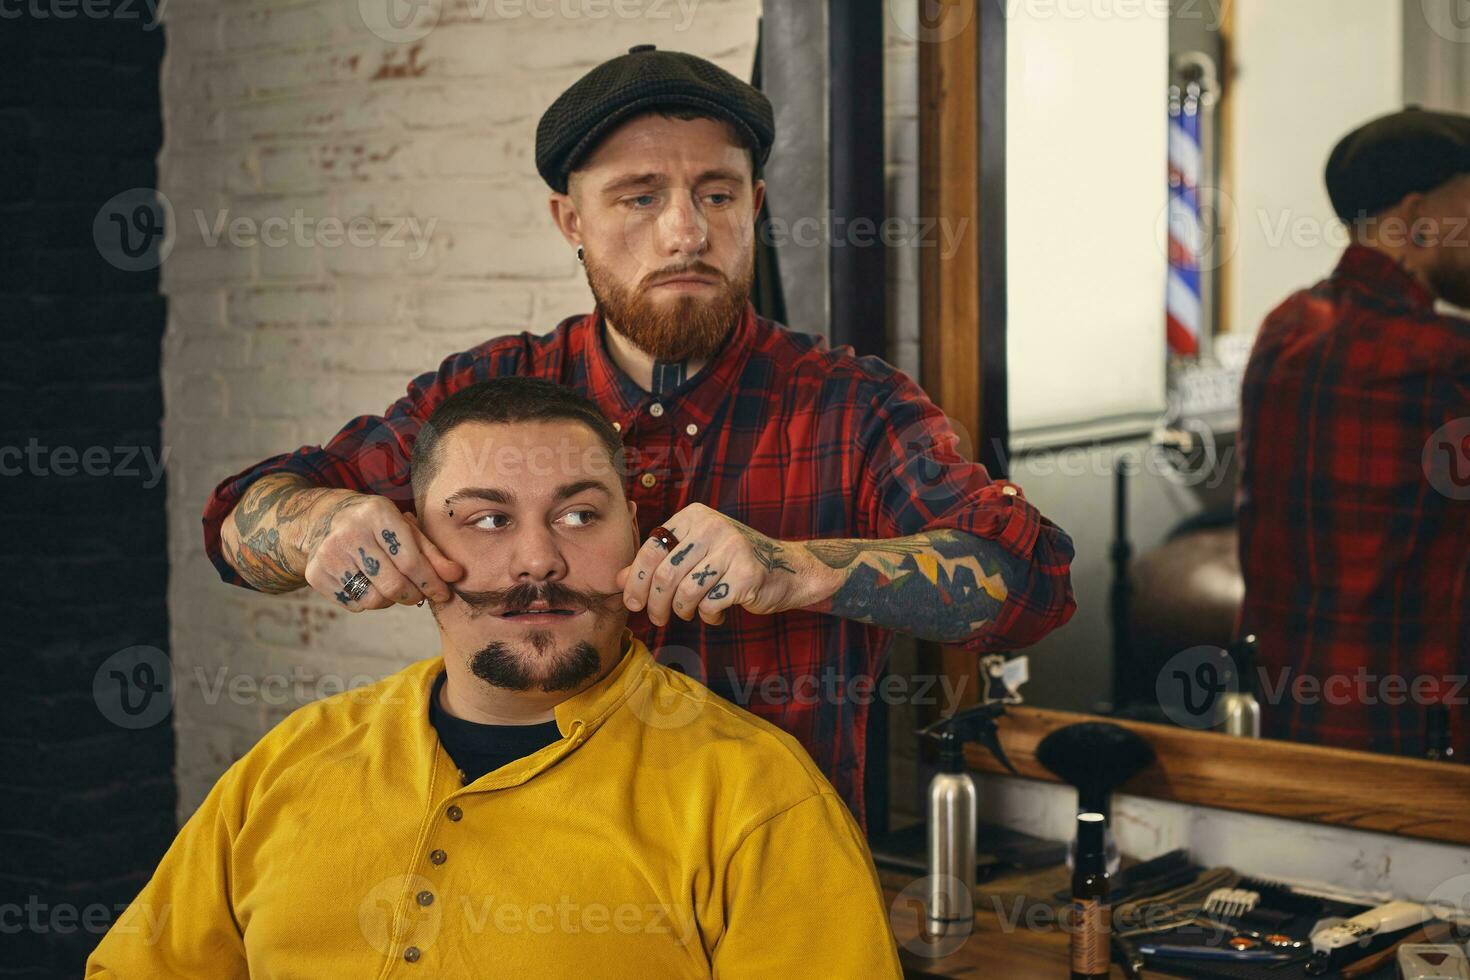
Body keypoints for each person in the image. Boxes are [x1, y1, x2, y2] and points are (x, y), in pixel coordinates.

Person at [202, 45, 1077, 823]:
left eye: (716, 195)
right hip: (529, 881)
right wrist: (317, 524)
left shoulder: (853, 406)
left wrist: (801, 569)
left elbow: (1030, 584)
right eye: (639, 197)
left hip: (776, 890)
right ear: (570, 223)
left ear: (755, 206)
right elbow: (240, 520)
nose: (687, 232)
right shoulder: (485, 396)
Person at [88, 379, 904, 978]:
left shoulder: (760, 800)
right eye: (485, 520)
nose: (538, 560)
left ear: (641, 538)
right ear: (406, 542)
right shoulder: (288, 764)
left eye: (581, 516)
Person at [1237, 107, 1470, 757]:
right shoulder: (1444, 361)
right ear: (1417, 219)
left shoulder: (1284, 326)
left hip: (1284, 730)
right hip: (1410, 749)